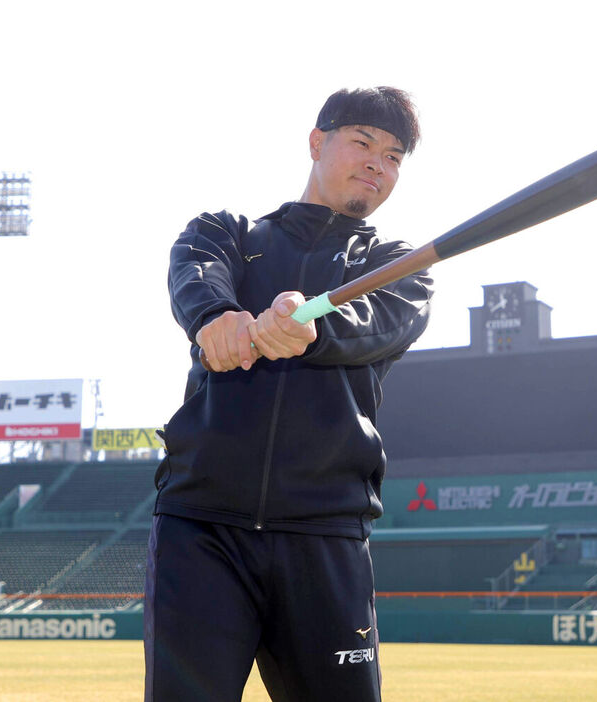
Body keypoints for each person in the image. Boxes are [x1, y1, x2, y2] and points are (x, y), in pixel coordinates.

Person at [143, 87, 432, 702]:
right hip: (202, 530)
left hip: (324, 536)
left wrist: (308, 328)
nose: (378, 165)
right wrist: (219, 318)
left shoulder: (396, 263)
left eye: (394, 157)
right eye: (363, 142)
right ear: (316, 142)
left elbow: (379, 324)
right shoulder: (227, 233)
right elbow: (196, 271)